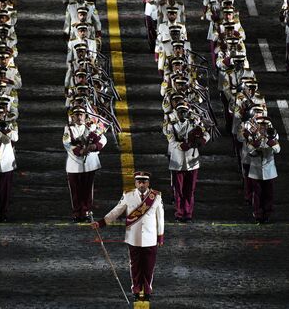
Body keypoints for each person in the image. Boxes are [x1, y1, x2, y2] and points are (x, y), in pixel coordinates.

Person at [91, 171, 164, 305]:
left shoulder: (156, 197)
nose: (141, 184)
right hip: (133, 237)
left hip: (150, 237)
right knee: (135, 266)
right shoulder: (128, 195)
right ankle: (136, 290)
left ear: (148, 183)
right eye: (139, 181)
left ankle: (147, 290)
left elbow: (160, 218)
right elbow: (116, 211)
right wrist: (101, 223)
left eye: (144, 181)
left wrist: (160, 236)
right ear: (135, 183)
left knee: (149, 266)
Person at [165, 103, 210, 222]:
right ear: (177, 113)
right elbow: (171, 142)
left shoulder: (194, 124)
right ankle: (180, 213)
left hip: (192, 161)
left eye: (185, 112)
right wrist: (183, 145)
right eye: (180, 112)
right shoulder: (171, 126)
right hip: (177, 161)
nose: (183, 114)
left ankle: (188, 213)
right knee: (179, 190)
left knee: (190, 190)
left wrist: (202, 141)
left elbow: (206, 134)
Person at [62, 106, 106, 222]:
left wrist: (95, 146)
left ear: (85, 116)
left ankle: (86, 212)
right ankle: (77, 213)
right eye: (76, 115)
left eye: (81, 114)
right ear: (72, 117)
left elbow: (103, 139)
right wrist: (80, 151)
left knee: (87, 189)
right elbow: (67, 143)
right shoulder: (69, 129)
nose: (79, 117)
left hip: (90, 163)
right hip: (74, 164)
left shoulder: (92, 127)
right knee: (75, 190)